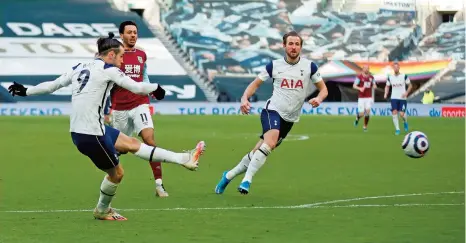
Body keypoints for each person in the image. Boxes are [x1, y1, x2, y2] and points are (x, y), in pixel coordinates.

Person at [8, 32, 206, 220]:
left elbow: (53, 85)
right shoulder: (109, 70)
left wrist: (26, 91)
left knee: (131, 143)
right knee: (117, 174)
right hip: (91, 134)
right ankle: (102, 210)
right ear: (111, 55)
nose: (122, 62)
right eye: (120, 57)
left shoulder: (80, 66)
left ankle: (184, 158)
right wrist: (156, 88)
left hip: (84, 130)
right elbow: (136, 87)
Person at [214, 31, 328, 195]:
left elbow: (324, 89)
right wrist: (245, 98)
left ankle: (228, 175)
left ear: (301, 47)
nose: (293, 47)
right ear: (284, 45)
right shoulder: (274, 65)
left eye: (297, 44)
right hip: (272, 111)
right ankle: (247, 180)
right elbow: (255, 84)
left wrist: (319, 99)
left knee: (258, 151)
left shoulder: (310, 67)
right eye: (290, 43)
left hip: (290, 119)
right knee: (270, 143)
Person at [107, 21, 169, 197]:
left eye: (135, 32)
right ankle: (111, 181)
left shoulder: (142, 54)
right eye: (129, 32)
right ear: (121, 35)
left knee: (149, 141)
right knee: (118, 149)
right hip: (119, 108)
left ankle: (159, 185)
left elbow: (145, 77)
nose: (133, 35)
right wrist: (105, 109)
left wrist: (152, 91)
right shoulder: (114, 56)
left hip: (140, 103)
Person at [384, 62, 413, 135]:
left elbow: (410, 86)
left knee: (402, 114)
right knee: (394, 112)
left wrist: (406, 93)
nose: (396, 68)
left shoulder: (404, 76)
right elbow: (387, 86)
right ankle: (397, 129)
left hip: (402, 98)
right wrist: (385, 93)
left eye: (397, 67)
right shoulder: (390, 77)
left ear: (399, 68)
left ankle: (405, 122)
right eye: (394, 67)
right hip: (394, 98)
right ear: (393, 68)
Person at [353, 64, 376, 131]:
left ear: (369, 69)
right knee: (362, 114)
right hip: (361, 98)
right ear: (363, 69)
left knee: (368, 112)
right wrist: (360, 88)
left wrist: (374, 86)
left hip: (369, 97)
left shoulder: (371, 77)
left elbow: (374, 84)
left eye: (367, 68)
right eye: (365, 68)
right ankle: (357, 118)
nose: (366, 69)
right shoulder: (359, 77)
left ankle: (365, 126)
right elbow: (354, 85)